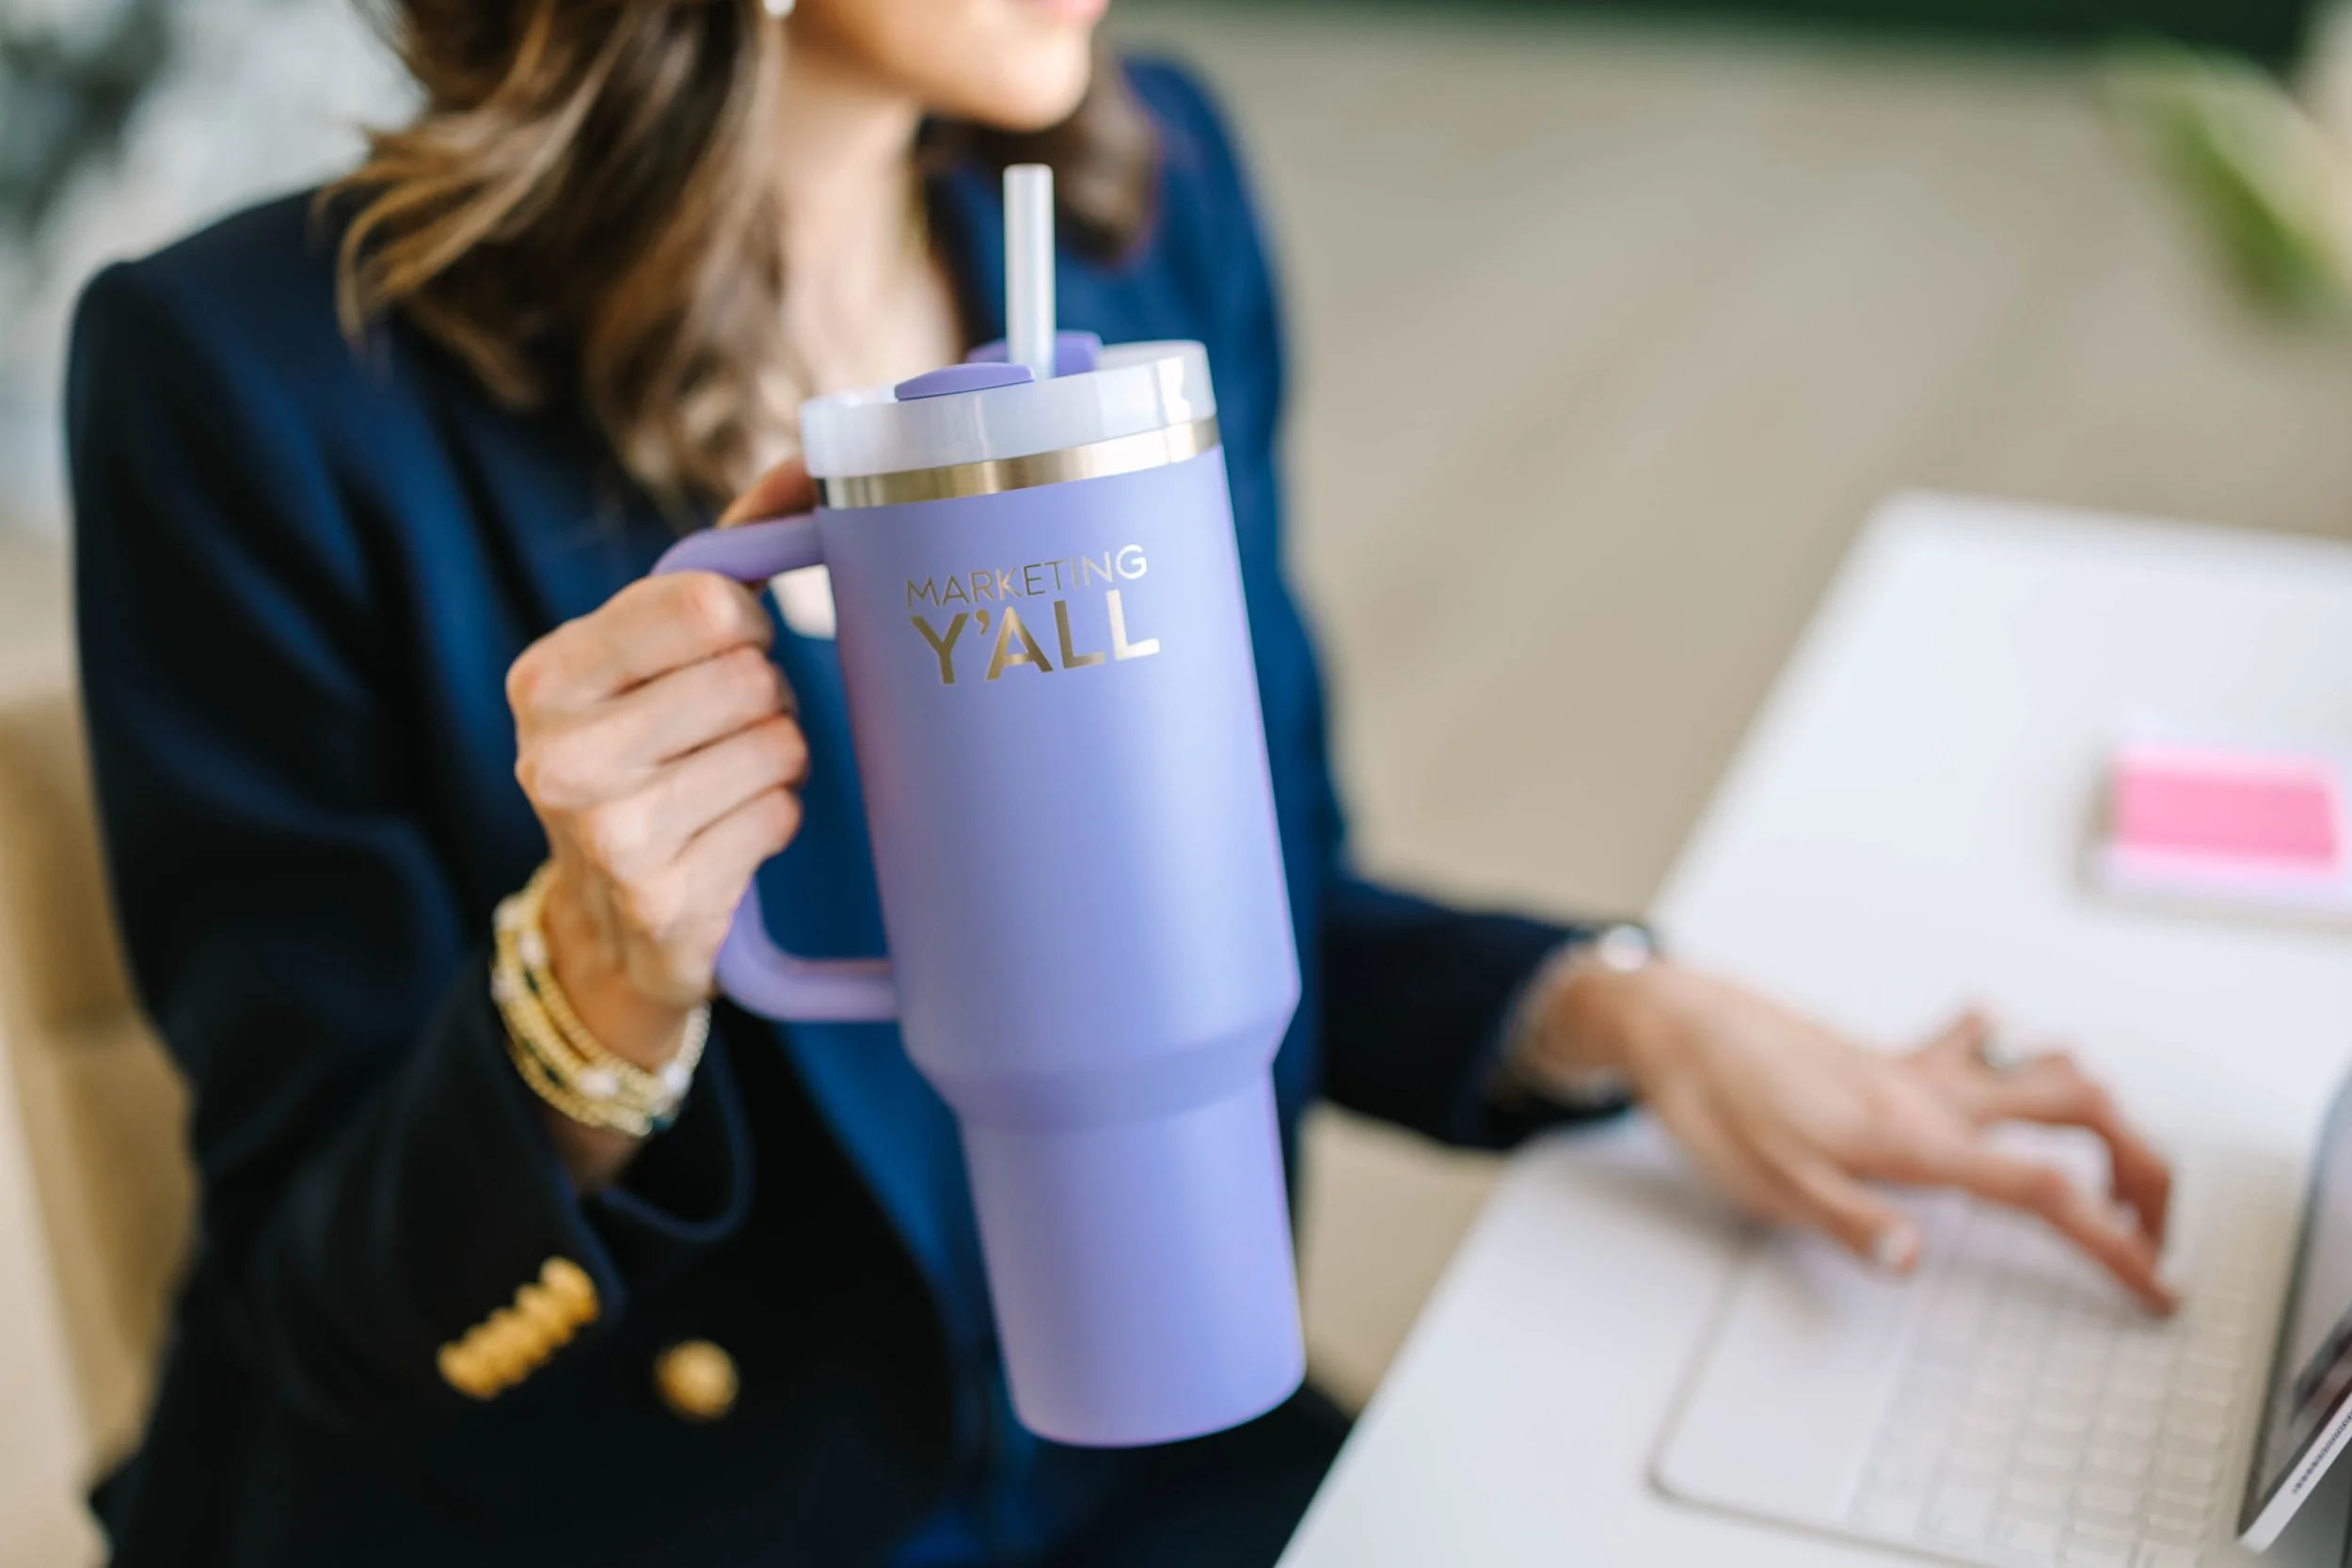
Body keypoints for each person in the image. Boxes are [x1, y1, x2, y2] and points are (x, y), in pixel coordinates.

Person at [64, 2, 2177, 1564]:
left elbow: (1258, 875)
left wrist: (1625, 1003)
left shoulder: (1147, 212)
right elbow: (326, 1303)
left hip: (1139, 1467)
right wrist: (596, 984)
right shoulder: (251, 378)